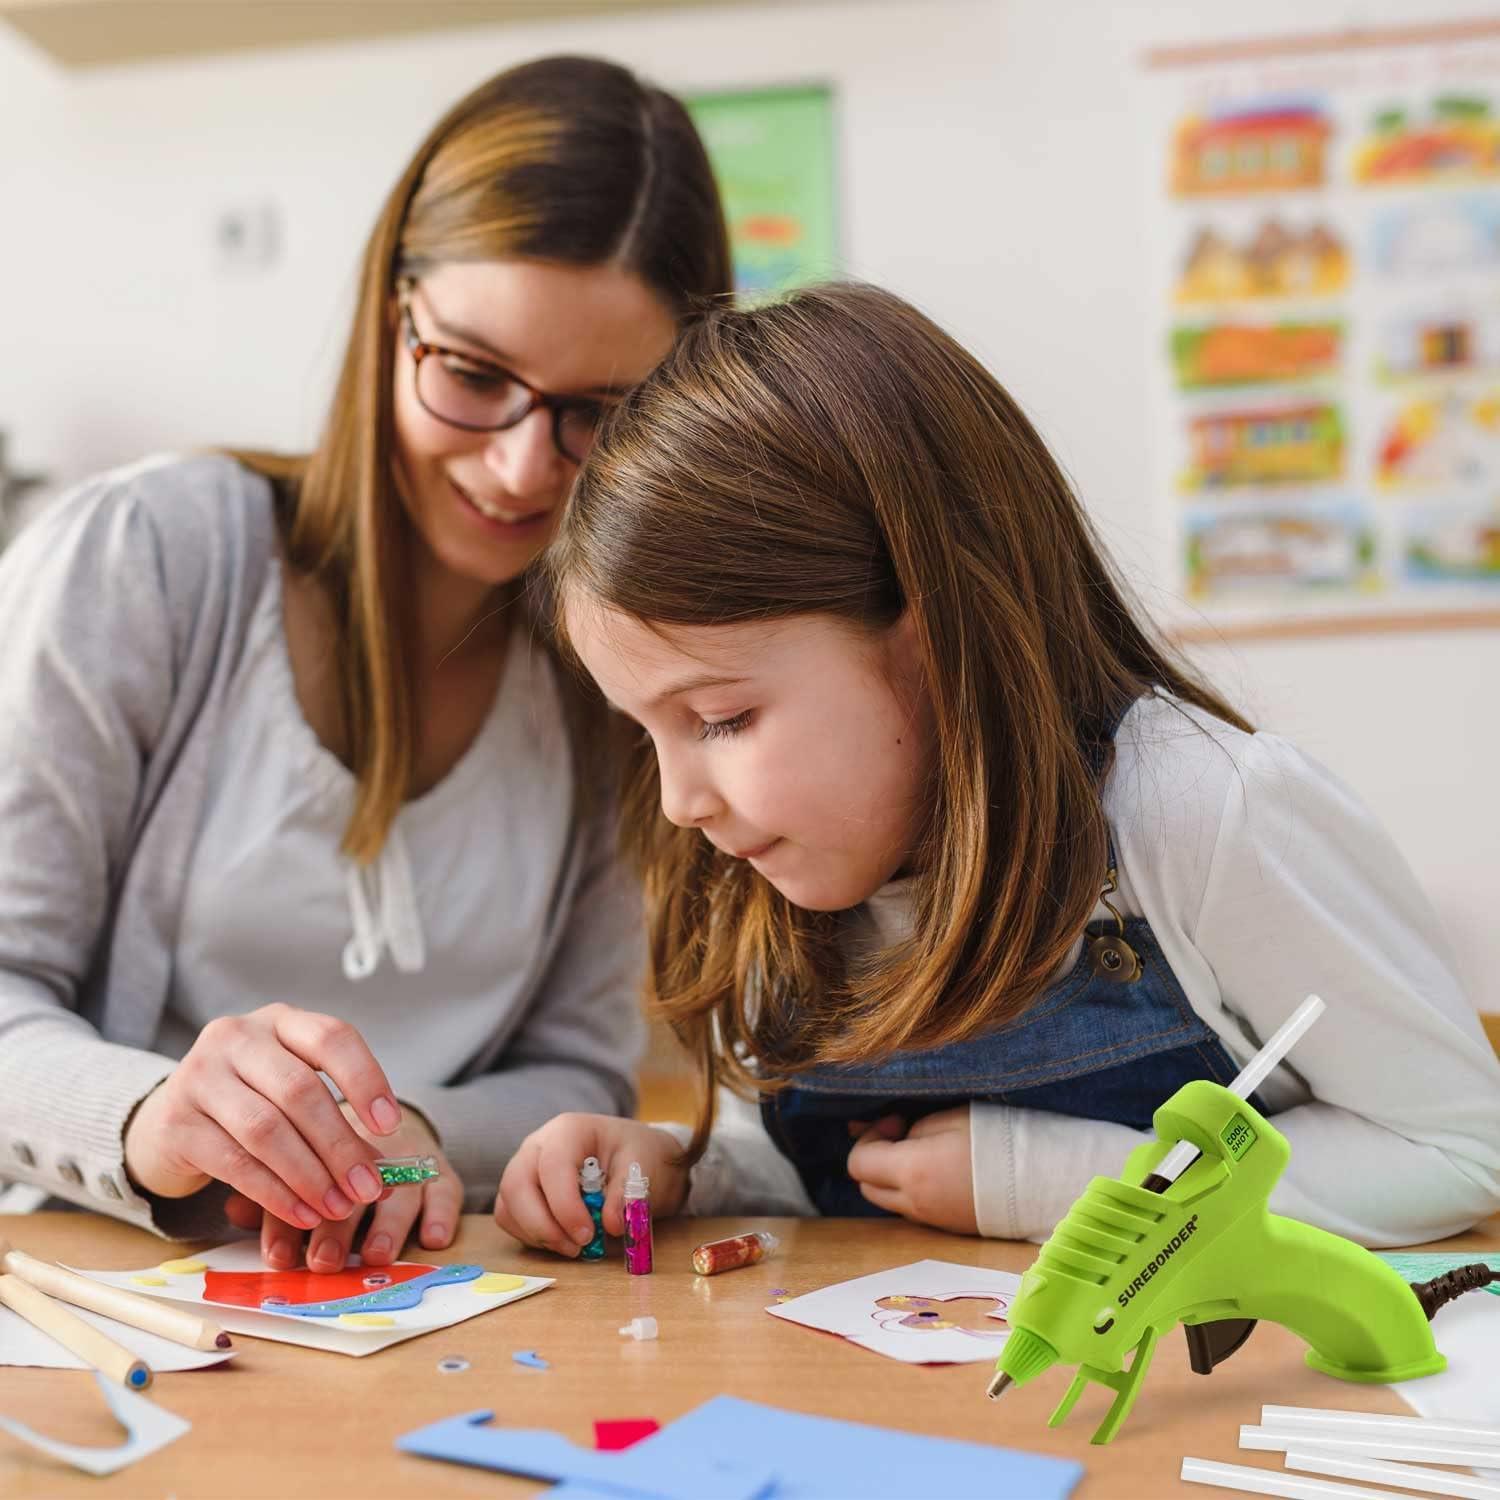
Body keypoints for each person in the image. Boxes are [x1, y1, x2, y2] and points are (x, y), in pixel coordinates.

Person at [493, 281, 1500, 1257]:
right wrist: (677, 1168)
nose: (680, 804)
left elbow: (1452, 1151)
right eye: (645, 732)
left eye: (721, 718)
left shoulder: (1200, 813)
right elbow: (809, 1177)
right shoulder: (763, 867)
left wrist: (1048, 1179)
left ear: (934, 643)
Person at [0, 55, 732, 1272]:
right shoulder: (149, 558)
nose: (517, 471)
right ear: (388, 317)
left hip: (441, 1284)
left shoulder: (617, 664)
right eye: (475, 375)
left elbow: (579, 1062)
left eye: (599, 413)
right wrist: (150, 1119)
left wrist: (422, 1134)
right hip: (111, 1290)